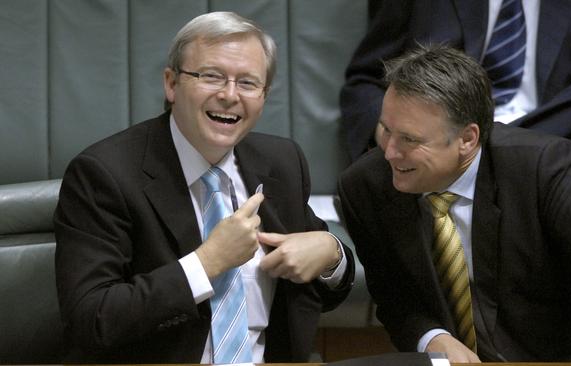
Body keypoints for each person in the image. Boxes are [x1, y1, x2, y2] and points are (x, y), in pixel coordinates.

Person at [54, 11, 354, 364]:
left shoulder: (281, 161)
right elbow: (92, 320)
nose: (230, 95)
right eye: (211, 77)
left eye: (247, 83)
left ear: (264, 95)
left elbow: (313, 288)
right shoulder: (104, 174)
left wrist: (332, 254)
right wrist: (206, 262)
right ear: (171, 83)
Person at [337, 43, 571, 365]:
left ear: (467, 139)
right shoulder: (365, 186)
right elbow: (394, 296)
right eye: (386, 131)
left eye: (410, 140)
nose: (389, 152)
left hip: (570, 358)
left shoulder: (543, 167)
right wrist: (432, 337)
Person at [340, 0, 571, 162]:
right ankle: (481, 162)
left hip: (556, 136)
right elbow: (367, 78)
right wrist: (388, 131)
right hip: (445, 129)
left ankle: (478, 162)